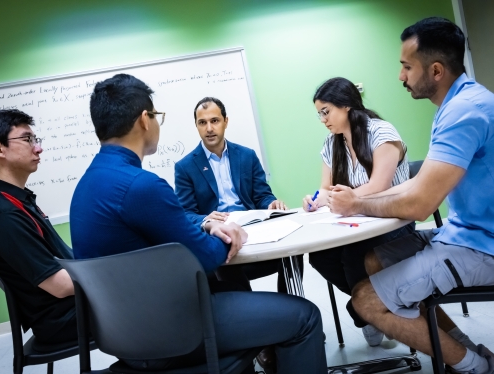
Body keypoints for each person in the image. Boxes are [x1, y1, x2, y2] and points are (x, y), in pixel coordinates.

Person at [70, 74, 327, 373]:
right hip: (174, 331)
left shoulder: (85, 186)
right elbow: (205, 257)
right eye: (156, 117)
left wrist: (204, 227)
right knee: (305, 316)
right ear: (144, 120)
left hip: (121, 334)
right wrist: (224, 232)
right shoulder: (142, 186)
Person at [327, 17, 494, 373]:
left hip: (484, 247)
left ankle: (477, 368)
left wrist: (357, 202)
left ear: (435, 70)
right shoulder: (454, 104)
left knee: (365, 302)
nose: (401, 76)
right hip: (465, 235)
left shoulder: (465, 111)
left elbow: (420, 204)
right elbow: (414, 185)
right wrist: (359, 200)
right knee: (373, 260)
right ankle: (466, 354)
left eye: (406, 67)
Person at [302, 77, 415, 346]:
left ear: (347, 106)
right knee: (319, 256)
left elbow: (379, 185)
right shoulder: (332, 143)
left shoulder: (381, 132)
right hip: (356, 222)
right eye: (319, 114)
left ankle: (366, 311)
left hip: (392, 219)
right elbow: (325, 188)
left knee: (354, 256)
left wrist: (349, 199)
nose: (323, 120)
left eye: (326, 111)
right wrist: (315, 200)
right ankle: (368, 309)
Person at [175, 97, 301, 294]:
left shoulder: (246, 155)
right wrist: (206, 219)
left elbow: (262, 196)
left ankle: (291, 306)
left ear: (226, 121)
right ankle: (248, 313)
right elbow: (185, 214)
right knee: (223, 256)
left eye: (214, 121)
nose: (209, 128)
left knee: (294, 250)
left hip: (251, 226)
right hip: (220, 234)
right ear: (196, 126)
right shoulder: (185, 167)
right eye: (202, 122)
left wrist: (271, 203)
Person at [0, 109, 77, 352]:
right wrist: (115, 274)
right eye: (27, 139)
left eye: (36, 140)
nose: (38, 148)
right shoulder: (4, 214)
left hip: (69, 309)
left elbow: (63, 258)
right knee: (146, 296)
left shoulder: (18, 200)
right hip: (61, 319)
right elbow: (60, 286)